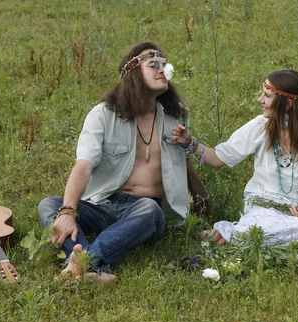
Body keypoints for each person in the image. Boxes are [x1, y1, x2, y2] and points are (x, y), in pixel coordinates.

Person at [38, 41, 189, 282]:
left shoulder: (175, 118)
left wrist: (203, 197)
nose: (162, 69)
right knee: (49, 205)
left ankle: (83, 262)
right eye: (153, 64)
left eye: (163, 64)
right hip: (101, 204)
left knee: (150, 209)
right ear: (132, 73)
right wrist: (67, 211)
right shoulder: (103, 115)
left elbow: (185, 160)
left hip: (143, 212)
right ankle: (92, 271)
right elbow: (84, 165)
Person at [171, 69, 298, 246]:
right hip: (261, 206)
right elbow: (217, 158)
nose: (260, 100)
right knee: (273, 226)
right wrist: (189, 142)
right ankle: (248, 236)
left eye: (267, 96)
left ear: (288, 104)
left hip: (297, 214)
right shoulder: (260, 127)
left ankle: (233, 235)